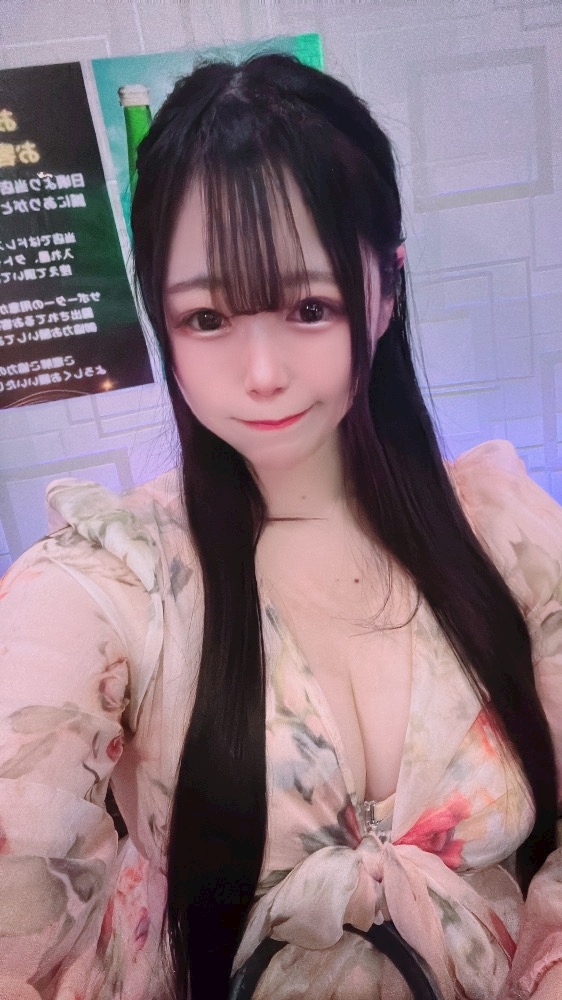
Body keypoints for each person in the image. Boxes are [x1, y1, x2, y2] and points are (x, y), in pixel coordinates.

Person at [0, 53, 561, 1000]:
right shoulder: (110, 579)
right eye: (207, 317)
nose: (261, 374)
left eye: (308, 307)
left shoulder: (504, 532)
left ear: (386, 290)